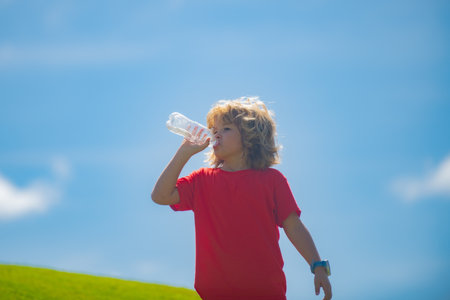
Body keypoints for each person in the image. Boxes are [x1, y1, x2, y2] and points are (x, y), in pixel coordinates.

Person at [152, 97, 332, 300]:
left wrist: (318, 266)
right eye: (214, 128)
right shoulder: (201, 180)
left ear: (251, 137)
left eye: (226, 128)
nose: (215, 133)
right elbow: (160, 196)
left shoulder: (272, 180)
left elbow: (294, 226)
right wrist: (184, 152)